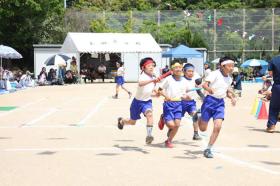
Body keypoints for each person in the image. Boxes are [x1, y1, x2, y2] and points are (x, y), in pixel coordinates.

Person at [198, 57, 236, 158]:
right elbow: (204, 84)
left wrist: (231, 97)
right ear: (222, 66)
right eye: (230, 66)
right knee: (202, 129)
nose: (232, 68)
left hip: (220, 103)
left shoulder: (229, 78)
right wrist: (209, 89)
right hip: (209, 101)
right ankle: (198, 117)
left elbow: (226, 92)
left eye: (233, 65)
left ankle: (208, 149)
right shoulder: (214, 74)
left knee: (218, 126)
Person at [117, 57, 159, 144]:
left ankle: (149, 135)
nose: (151, 67)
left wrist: (156, 94)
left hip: (147, 102)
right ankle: (122, 121)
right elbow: (140, 84)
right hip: (137, 102)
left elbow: (151, 89)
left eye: (152, 65)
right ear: (143, 68)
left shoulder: (153, 76)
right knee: (132, 122)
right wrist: (152, 80)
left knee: (149, 115)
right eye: (149, 66)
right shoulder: (143, 76)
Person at [158, 62, 188, 148]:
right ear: (172, 70)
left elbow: (185, 93)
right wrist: (166, 96)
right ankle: (163, 118)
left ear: (182, 69)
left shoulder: (184, 80)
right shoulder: (168, 79)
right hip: (168, 104)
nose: (178, 69)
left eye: (179, 67)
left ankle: (169, 141)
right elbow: (159, 90)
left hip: (179, 104)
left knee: (177, 125)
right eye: (176, 68)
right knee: (171, 125)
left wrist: (187, 97)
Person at [182, 63, 202, 140]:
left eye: (192, 71)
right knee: (176, 121)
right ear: (184, 71)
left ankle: (196, 134)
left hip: (191, 103)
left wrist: (203, 97)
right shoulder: (180, 80)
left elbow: (198, 90)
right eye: (189, 71)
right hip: (180, 103)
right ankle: (170, 128)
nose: (191, 73)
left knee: (195, 115)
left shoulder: (194, 79)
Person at [266, 55, 280, 133]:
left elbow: (270, 73)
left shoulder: (273, 60)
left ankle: (271, 126)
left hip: (278, 85)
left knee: (274, 106)